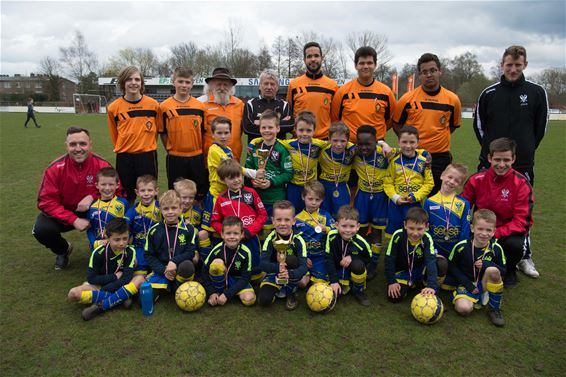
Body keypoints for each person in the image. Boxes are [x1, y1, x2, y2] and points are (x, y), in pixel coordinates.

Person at [473, 45, 547, 278]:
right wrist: (492, 154)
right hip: (491, 162)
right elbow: (479, 126)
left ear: (525, 65)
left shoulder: (536, 92)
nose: (513, 69)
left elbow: (540, 128)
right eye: (509, 65)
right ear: (501, 65)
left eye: (517, 65)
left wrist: (523, 151)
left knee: (522, 213)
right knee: (482, 209)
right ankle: (477, 251)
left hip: (522, 164)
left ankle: (524, 256)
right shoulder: (489, 93)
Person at [33, 126, 115, 270]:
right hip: (65, 214)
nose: (78, 149)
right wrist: (74, 219)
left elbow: (118, 192)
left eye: (82, 144)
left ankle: (109, 253)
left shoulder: (102, 165)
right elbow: (46, 201)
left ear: (90, 144)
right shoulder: (55, 168)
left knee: (116, 215)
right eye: (73, 144)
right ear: (66, 146)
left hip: (95, 212)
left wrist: (93, 197)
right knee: (42, 229)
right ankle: (63, 250)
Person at [462, 138, 534, 288]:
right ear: (489, 158)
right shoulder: (477, 180)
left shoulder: (521, 184)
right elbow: (461, 206)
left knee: (516, 244)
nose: (501, 164)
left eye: (506, 160)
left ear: (513, 159)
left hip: (505, 233)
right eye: (497, 159)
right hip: (480, 230)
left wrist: (496, 233)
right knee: (461, 238)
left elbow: (523, 221)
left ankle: (509, 270)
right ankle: (470, 269)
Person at [392, 53, 462, 195]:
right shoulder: (407, 99)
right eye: (424, 72)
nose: (429, 75)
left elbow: (453, 126)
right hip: (413, 155)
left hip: (440, 157)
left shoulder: (453, 99)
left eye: (432, 70)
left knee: (436, 196)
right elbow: (396, 124)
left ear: (439, 71)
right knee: (411, 194)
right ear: (419, 75)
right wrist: (409, 143)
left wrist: (437, 139)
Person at [67, 218, 145, 321]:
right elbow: (91, 278)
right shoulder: (99, 252)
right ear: (108, 238)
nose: (122, 243)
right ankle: (121, 298)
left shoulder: (130, 251)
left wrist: (106, 289)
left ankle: (102, 305)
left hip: (121, 284)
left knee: (140, 278)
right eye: (117, 239)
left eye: (125, 238)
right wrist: (113, 277)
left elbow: (126, 278)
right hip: (101, 284)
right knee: (73, 294)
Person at [107, 66, 159, 204]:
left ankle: (150, 222)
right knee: (125, 195)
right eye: (129, 79)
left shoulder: (153, 105)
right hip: (124, 156)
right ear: (123, 83)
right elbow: (114, 134)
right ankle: (127, 222)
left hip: (147, 156)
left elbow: (157, 131)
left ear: (141, 83)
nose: (133, 82)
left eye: (137, 79)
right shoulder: (113, 107)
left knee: (149, 193)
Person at [446, 209, 506, 327]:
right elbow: (451, 267)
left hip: (484, 283)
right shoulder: (462, 246)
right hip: (466, 284)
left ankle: (494, 309)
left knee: (493, 270)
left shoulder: (496, 248)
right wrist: (467, 284)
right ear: (472, 228)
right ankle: (472, 299)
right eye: (480, 229)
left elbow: (503, 270)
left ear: (494, 231)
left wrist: (487, 264)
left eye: (488, 230)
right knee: (463, 309)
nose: (484, 233)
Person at [211, 159, 268, 282]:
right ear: (223, 180)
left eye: (238, 176)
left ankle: (256, 276)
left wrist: (249, 231)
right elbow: (214, 221)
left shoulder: (251, 193)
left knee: (254, 262)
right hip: (231, 239)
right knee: (235, 262)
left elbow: (263, 215)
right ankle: (236, 279)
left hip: (250, 236)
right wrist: (227, 233)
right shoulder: (221, 199)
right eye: (231, 178)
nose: (236, 180)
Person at [158, 67, 208, 200]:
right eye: (180, 81)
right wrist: (170, 149)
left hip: (197, 157)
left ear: (192, 84)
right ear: (173, 82)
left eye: (187, 82)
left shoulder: (200, 106)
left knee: (199, 194)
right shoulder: (164, 107)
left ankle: (197, 219)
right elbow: (162, 133)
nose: (184, 85)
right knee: (176, 194)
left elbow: (204, 132)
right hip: (175, 158)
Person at [331, 46, 396, 143]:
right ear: (356, 65)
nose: (366, 66)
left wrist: (376, 134)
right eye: (361, 63)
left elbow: (391, 120)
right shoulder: (343, 91)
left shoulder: (386, 92)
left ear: (375, 65)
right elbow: (335, 119)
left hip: (376, 146)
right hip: (350, 146)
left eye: (369, 63)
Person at [245, 109, 293, 238]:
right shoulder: (254, 148)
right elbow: (247, 168)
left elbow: (288, 174)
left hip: (275, 199)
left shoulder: (281, 149)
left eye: (270, 127)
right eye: (264, 127)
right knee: (258, 230)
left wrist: (271, 182)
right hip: (257, 198)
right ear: (259, 129)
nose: (267, 130)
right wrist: (252, 180)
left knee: (275, 230)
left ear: (278, 128)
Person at [353, 125, 392, 276]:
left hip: (380, 198)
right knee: (360, 230)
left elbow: (406, 151)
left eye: (367, 144)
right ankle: (361, 258)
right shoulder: (354, 154)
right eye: (360, 144)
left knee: (376, 232)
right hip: (362, 197)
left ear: (375, 141)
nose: (363, 147)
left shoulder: (384, 154)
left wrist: (384, 144)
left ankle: (374, 264)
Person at [423, 163, 471, 283]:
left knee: (450, 283)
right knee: (434, 275)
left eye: (456, 180)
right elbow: (425, 229)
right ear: (442, 175)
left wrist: (460, 250)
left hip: (454, 250)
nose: (451, 181)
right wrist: (431, 250)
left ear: (460, 185)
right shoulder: (429, 202)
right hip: (436, 250)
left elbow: (465, 229)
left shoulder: (464, 204)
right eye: (449, 177)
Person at [383, 126, 434, 238]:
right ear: (398, 142)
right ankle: (394, 253)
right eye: (404, 142)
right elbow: (388, 183)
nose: (408, 146)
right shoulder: (394, 161)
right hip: (396, 205)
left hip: (415, 204)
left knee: (413, 231)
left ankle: (411, 253)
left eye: (412, 142)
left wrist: (416, 196)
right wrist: (395, 198)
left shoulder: (424, 162)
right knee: (395, 234)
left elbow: (429, 183)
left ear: (417, 143)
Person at [144, 190, 198, 295]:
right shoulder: (154, 231)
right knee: (144, 298)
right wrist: (163, 270)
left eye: (174, 208)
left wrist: (174, 261)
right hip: (162, 269)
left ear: (181, 209)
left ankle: (176, 286)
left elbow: (190, 252)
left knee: (188, 265)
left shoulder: (189, 228)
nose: (170, 212)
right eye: (166, 209)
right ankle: (166, 286)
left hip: (180, 267)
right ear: (161, 210)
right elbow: (149, 255)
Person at [258, 200, 308, 310]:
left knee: (292, 260)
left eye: (287, 219)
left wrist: (289, 274)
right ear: (273, 221)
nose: (283, 223)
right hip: (275, 273)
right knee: (264, 300)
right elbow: (262, 263)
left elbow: (304, 267)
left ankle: (292, 290)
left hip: (292, 273)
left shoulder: (299, 239)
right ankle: (278, 287)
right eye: (279, 219)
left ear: (293, 221)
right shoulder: (270, 238)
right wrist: (278, 268)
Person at [384, 207, 438, 303]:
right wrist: (391, 281)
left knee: (441, 264)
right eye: (411, 228)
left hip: (419, 270)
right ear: (405, 225)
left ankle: (426, 285)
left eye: (420, 229)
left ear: (426, 226)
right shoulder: (398, 236)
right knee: (394, 297)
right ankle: (413, 285)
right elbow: (389, 259)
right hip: (403, 272)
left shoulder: (427, 238)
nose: (415, 233)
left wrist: (431, 285)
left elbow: (430, 261)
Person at [287, 42, 338, 139]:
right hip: (299, 140)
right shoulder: (294, 85)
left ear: (322, 58)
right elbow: (290, 113)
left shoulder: (332, 85)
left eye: (316, 56)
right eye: (309, 56)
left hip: (324, 141)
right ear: (304, 59)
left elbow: (335, 117)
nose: (313, 59)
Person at [203, 216, 256, 307]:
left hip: (236, 280)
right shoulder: (217, 249)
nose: (232, 237)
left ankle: (225, 293)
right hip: (220, 279)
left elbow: (245, 278)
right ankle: (217, 292)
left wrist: (227, 295)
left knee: (249, 299)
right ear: (222, 234)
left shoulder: (246, 252)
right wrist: (211, 292)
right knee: (217, 263)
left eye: (235, 233)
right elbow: (204, 271)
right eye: (228, 233)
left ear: (242, 234)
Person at [325, 206, 373, 306]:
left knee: (358, 265)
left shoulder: (362, 242)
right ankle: (337, 282)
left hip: (352, 270)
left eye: (352, 226)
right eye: (344, 226)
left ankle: (358, 290)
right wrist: (333, 281)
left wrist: (352, 257)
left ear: (358, 226)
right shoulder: (331, 236)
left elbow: (368, 259)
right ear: (337, 225)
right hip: (337, 268)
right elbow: (328, 259)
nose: (348, 230)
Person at [280, 111, 326, 213]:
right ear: (295, 130)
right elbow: (271, 139)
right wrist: (252, 143)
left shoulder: (319, 144)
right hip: (294, 187)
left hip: (312, 187)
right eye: (301, 130)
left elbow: (336, 142)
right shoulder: (288, 144)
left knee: (311, 212)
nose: (304, 134)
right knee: (293, 212)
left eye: (308, 130)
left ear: (314, 131)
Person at [198, 67, 245, 161]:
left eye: (225, 84)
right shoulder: (201, 104)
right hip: (210, 161)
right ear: (211, 86)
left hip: (233, 160)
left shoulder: (240, 104)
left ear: (231, 86)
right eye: (218, 84)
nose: (222, 88)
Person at [294, 181, 335, 287]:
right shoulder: (297, 219)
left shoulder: (326, 216)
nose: (313, 203)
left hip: (320, 257)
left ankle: (316, 278)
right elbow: (293, 241)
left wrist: (326, 229)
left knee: (319, 285)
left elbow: (336, 232)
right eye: (310, 199)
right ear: (303, 197)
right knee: (302, 283)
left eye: (317, 200)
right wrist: (302, 258)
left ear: (322, 200)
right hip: (304, 257)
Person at [243, 69, 294, 142]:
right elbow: (247, 128)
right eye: (266, 83)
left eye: (272, 84)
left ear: (277, 87)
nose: (269, 87)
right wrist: (279, 122)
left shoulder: (284, 104)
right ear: (260, 86)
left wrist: (260, 123)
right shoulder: (250, 104)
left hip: (279, 151)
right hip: (256, 151)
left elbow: (289, 126)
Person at [318, 122, 356, 218]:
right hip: (324, 186)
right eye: (335, 140)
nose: (339, 144)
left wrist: (382, 143)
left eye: (343, 141)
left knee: (341, 215)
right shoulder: (321, 149)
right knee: (323, 215)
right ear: (329, 139)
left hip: (342, 186)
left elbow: (370, 147)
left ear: (348, 140)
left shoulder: (353, 150)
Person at [125, 174, 160, 276]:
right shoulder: (132, 211)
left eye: (149, 190)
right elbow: (124, 228)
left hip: (157, 247)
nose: (146, 194)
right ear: (137, 192)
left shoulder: (162, 208)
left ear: (156, 191)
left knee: (160, 271)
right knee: (139, 274)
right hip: (139, 247)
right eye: (142, 191)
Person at [86, 167, 128, 251]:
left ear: (117, 185)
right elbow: (90, 228)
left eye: (111, 184)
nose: (107, 188)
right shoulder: (92, 206)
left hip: (118, 245)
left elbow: (128, 226)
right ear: (97, 185)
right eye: (103, 184)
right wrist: (93, 242)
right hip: (98, 245)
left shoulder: (123, 203)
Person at [174, 179, 211, 265]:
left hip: (194, 242)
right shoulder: (172, 211)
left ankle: (206, 263)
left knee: (203, 233)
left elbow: (203, 227)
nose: (187, 201)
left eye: (191, 198)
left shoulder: (198, 211)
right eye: (184, 197)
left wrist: (193, 229)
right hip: (178, 241)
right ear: (177, 196)